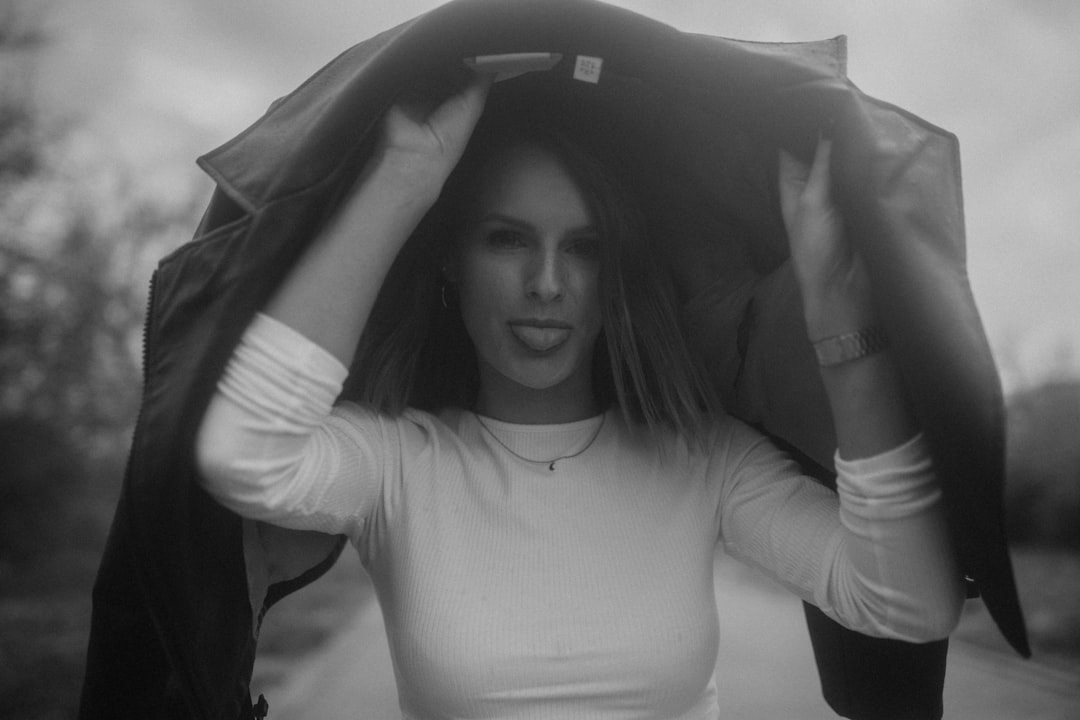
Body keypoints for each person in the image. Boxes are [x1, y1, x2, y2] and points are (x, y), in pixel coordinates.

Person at [195, 72, 965, 718]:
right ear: (450, 262)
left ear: (618, 275)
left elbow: (910, 604)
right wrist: (403, 176)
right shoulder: (401, 459)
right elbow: (245, 456)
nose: (548, 284)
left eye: (585, 248)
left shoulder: (703, 456)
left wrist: (837, 320)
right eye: (507, 239)